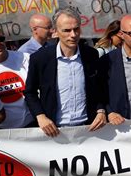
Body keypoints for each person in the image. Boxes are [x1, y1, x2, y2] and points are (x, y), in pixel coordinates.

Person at [24, 8, 106, 137]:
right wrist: (40, 116)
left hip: (89, 129)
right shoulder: (40, 58)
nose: (73, 35)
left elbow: (99, 88)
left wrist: (101, 110)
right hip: (55, 131)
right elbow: (30, 92)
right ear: (55, 32)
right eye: (67, 30)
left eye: (76, 29)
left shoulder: (91, 54)